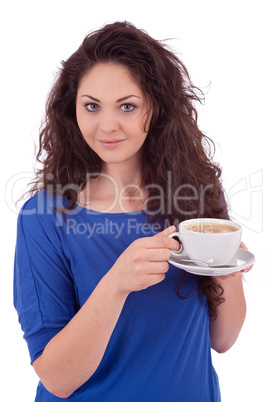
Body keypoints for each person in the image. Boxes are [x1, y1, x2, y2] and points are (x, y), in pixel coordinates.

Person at [14, 21, 251, 401]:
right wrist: (117, 283)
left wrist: (228, 269)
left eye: (127, 106)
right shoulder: (44, 217)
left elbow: (223, 340)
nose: (107, 125)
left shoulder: (198, 198)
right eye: (92, 106)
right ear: (71, 110)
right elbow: (57, 379)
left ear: (156, 108)